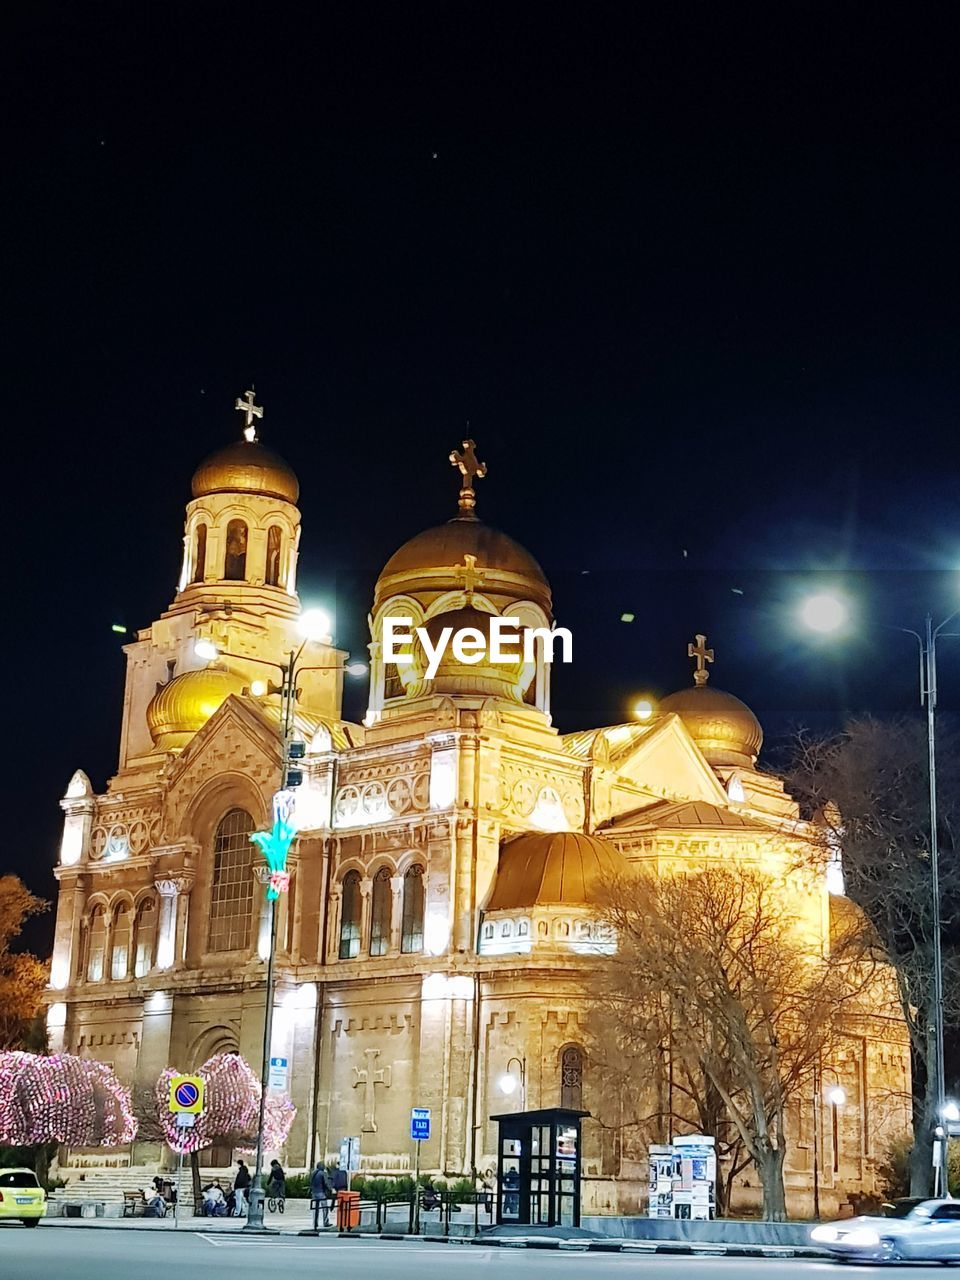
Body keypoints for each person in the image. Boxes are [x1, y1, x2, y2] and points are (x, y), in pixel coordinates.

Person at [309, 1162, 332, 1229]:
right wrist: (330, 1189)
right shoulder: (322, 1173)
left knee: (316, 1209)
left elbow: (310, 1182)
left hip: (314, 1193)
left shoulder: (313, 1173)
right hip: (321, 1193)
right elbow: (326, 1183)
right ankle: (326, 1222)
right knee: (325, 1208)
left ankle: (315, 1223)